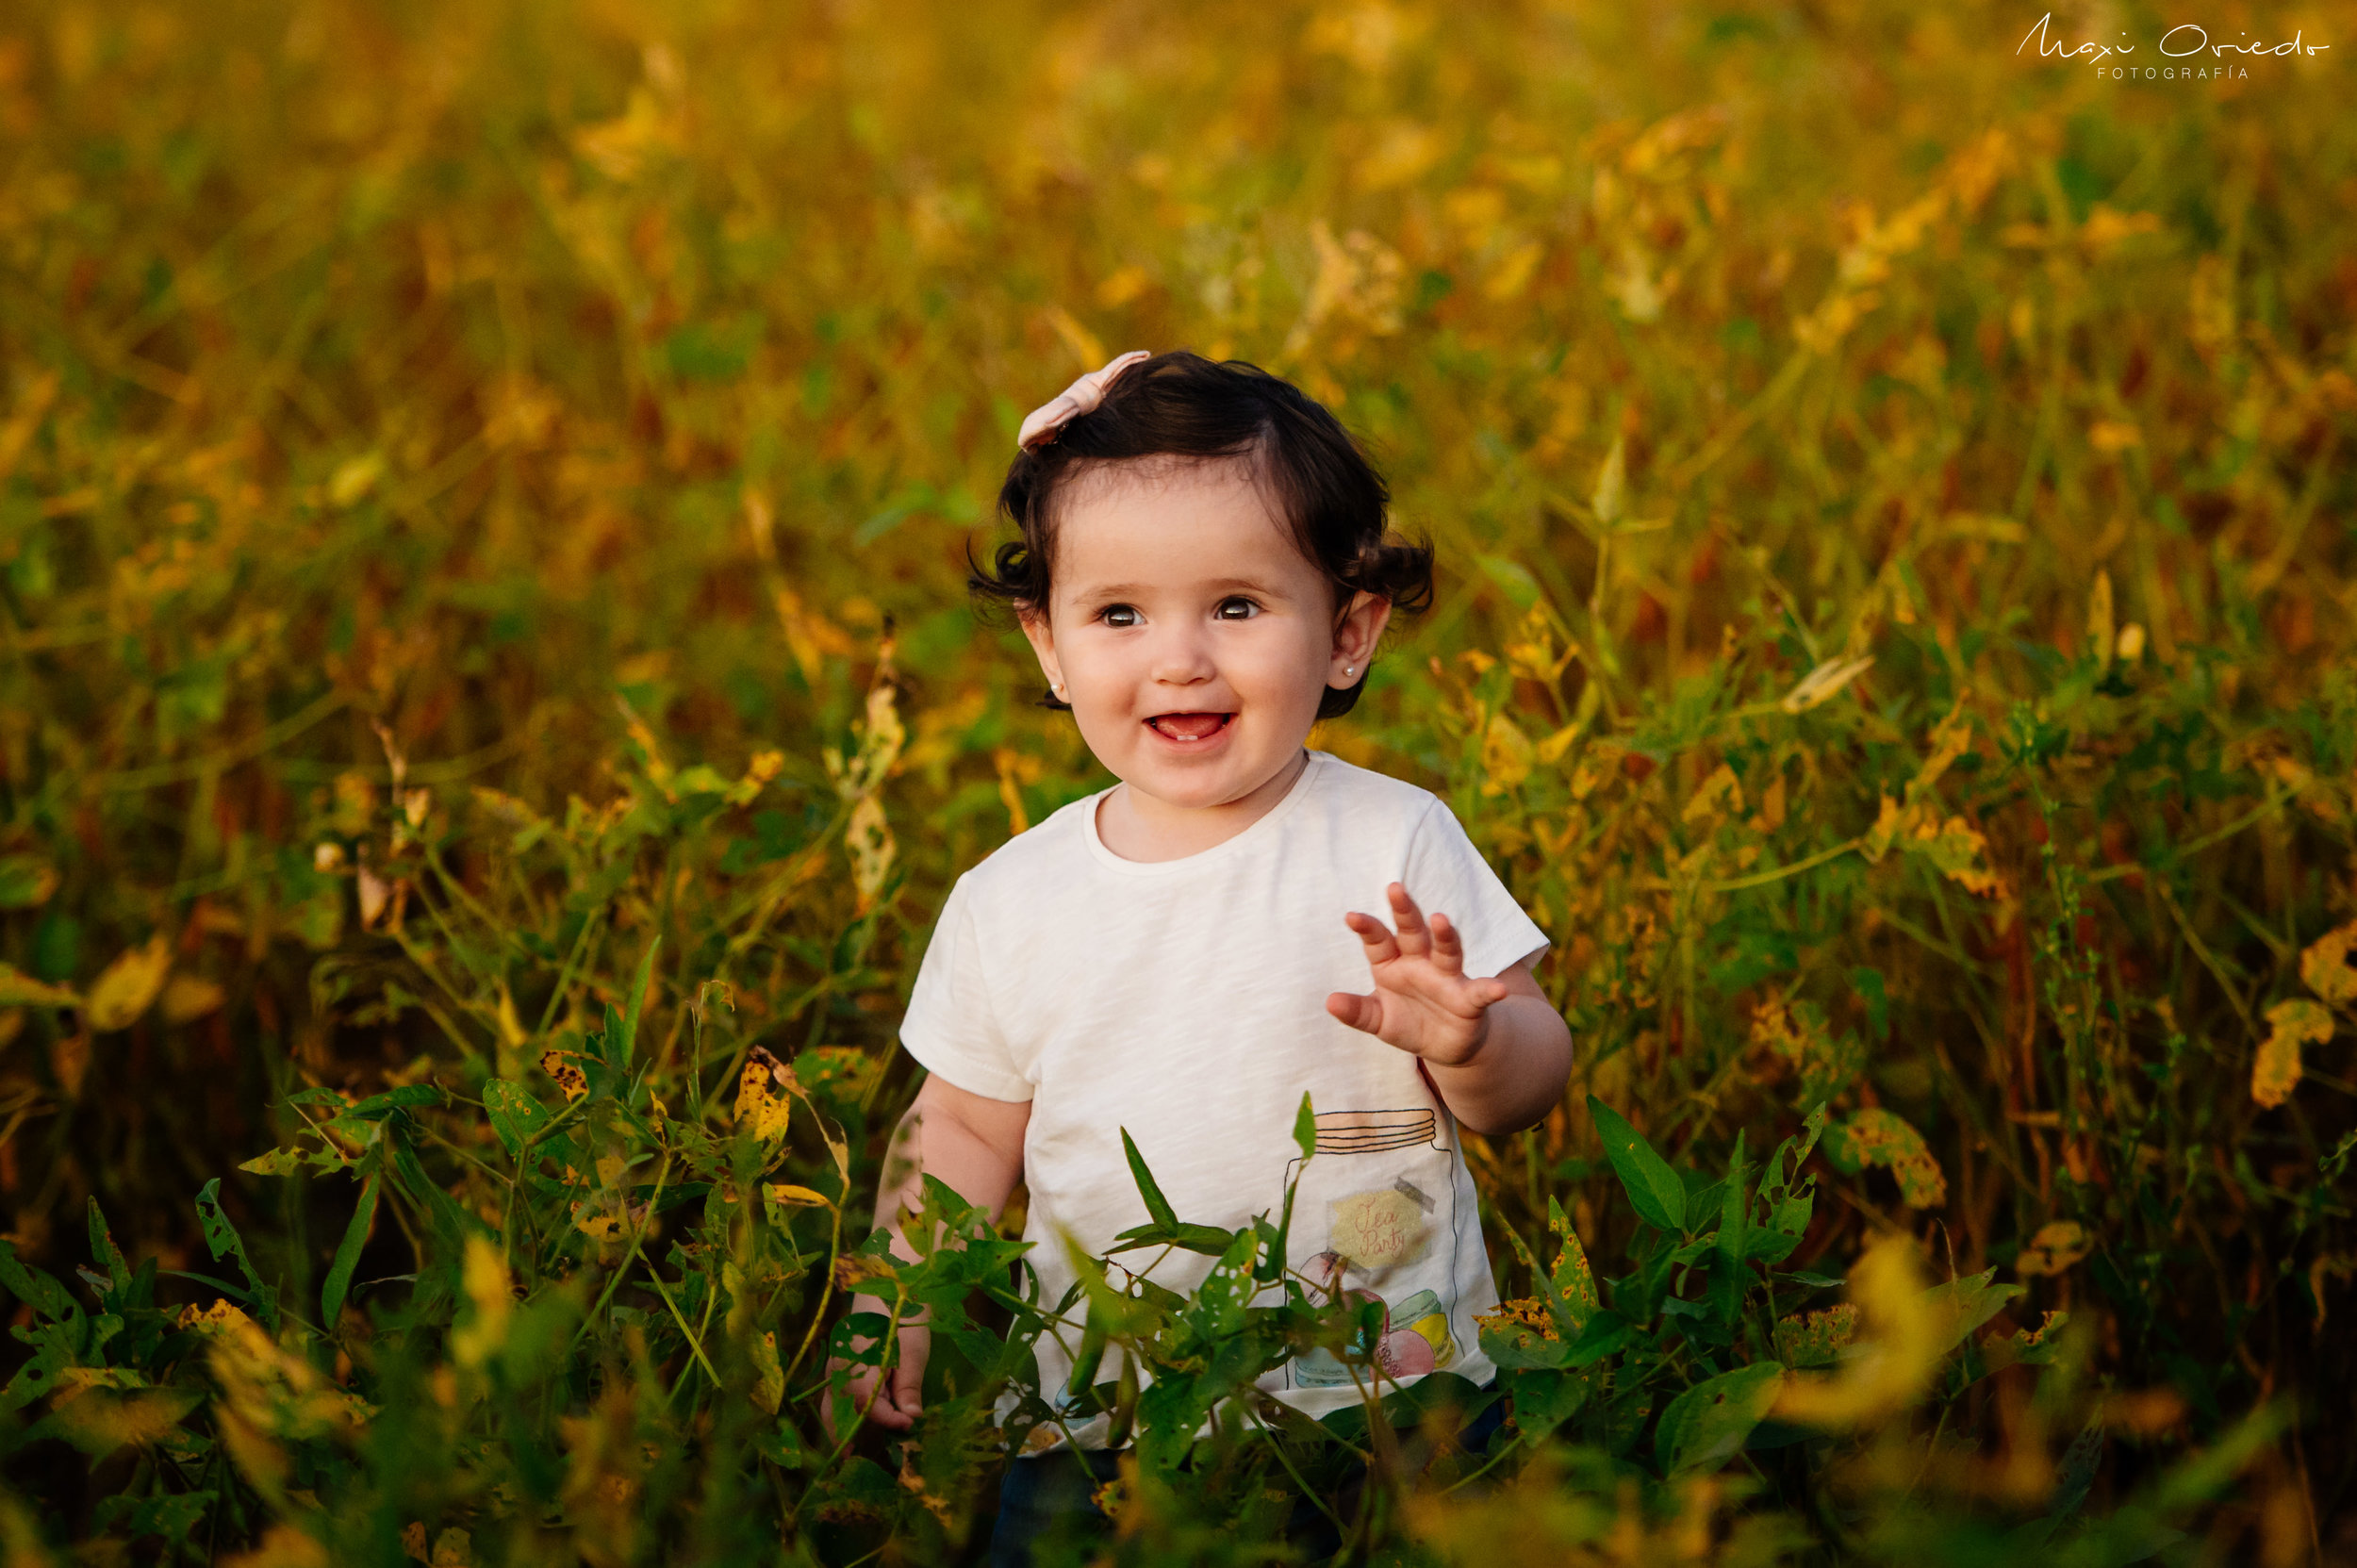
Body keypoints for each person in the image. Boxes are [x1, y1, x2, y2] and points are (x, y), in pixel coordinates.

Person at [830, 350, 1574, 1563]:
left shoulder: (1389, 839)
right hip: (1100, 1418)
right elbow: (959, 1133)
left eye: (1235, 606)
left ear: (1348, 631)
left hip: (1388, 1397)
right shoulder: (1012, 899)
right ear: (1048, 644)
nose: (1178, 657)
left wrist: (1474, 1041)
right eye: (1118, 613)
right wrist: (888, 1312)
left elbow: (1534, 1078)